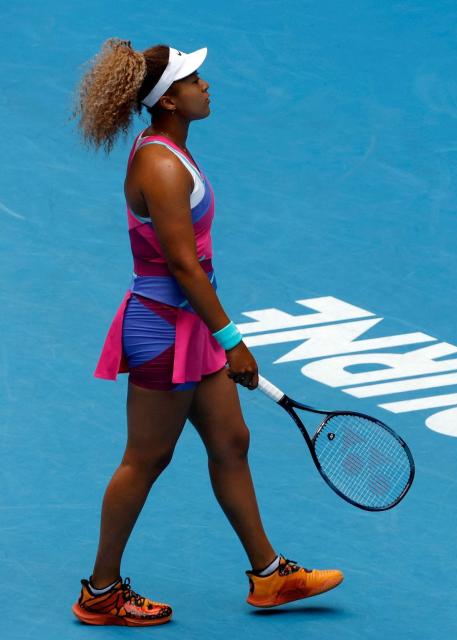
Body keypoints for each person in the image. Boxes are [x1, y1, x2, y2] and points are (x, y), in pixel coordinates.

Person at [71, 38, 342, 626]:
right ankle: (100, 591)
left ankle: (270, 577)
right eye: (194, 80)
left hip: (190, 327)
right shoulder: (161, 164)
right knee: (146, 458)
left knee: (231, 443)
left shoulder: (172, 150)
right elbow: (183, 266)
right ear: (169, 100)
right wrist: (233, 340)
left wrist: (215, 335)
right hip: (166, 331)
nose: (205, 86)